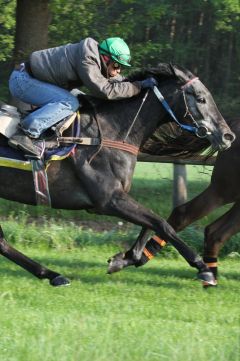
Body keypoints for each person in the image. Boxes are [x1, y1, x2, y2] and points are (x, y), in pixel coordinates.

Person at [8, 37, 157, 158]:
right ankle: (25, 133)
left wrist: (137, 83)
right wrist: (138, 86)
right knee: (69, 102)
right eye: (117, 65)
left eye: (121, 67)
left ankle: (51, 136)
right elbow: (106, 90)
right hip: (23, 81)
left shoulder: (95, 58)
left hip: (34, 80)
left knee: (82, 100)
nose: (118, 70)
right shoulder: (87, 59)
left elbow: (115, 80)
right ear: (105, 58)